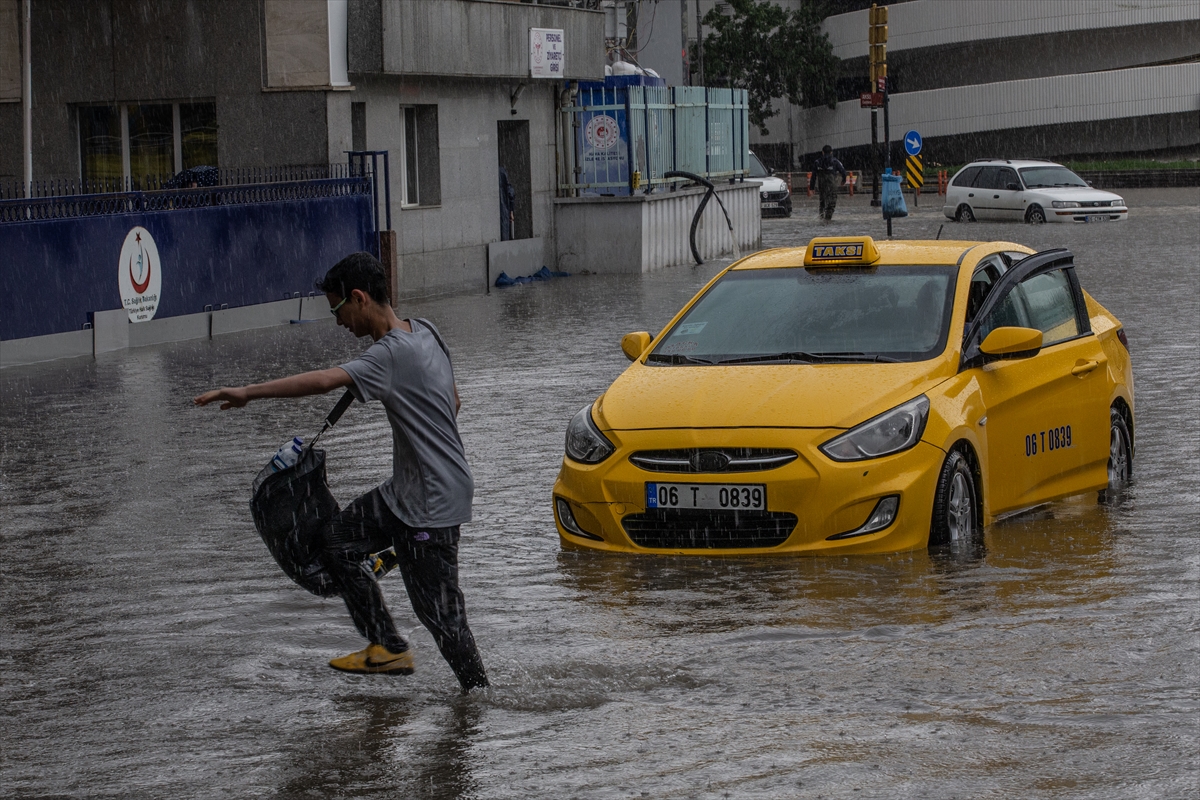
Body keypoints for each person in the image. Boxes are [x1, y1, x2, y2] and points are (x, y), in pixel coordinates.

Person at [193, 252, 488, 692]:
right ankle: (387, 643)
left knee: (444, 622)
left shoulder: (387, 355)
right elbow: (454, 400)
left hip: (431, 504)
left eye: (337, 309)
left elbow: (322, 381)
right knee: (336, 538)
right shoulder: (426, 330)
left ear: (359, 298)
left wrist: (248, 393)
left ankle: (480, 702)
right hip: (411, 492)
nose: (338, 322)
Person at [809, 145, 848, 221]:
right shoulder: (835, 161)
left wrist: (812, 187)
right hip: (831, 183)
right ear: (831, 152)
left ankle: (821, 216)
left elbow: (813, 175)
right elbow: (843, 171)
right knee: (832, 201)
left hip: (822, 184)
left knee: (822, 200)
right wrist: (843, 180)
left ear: (822, 152)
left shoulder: (817, 162)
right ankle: (828, 218)